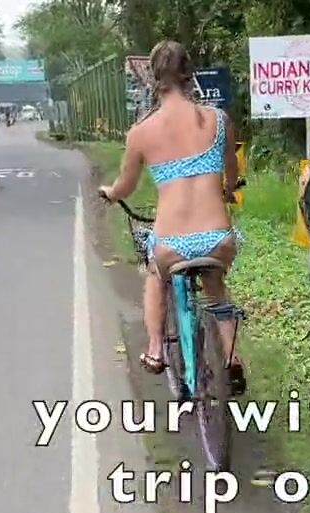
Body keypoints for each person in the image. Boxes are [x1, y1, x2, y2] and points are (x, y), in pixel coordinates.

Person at [98, 40, 245, 394]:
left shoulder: (141, 133)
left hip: (172, 243)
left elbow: (125, 186)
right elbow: (232, 173)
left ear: (152, 78)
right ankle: (232, 358)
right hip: (216, 237)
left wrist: (110, 193)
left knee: (155, 274)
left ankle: (154, 349)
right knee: (216, 291)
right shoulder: (218, 120)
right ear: (189, 73)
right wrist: (227, 190)